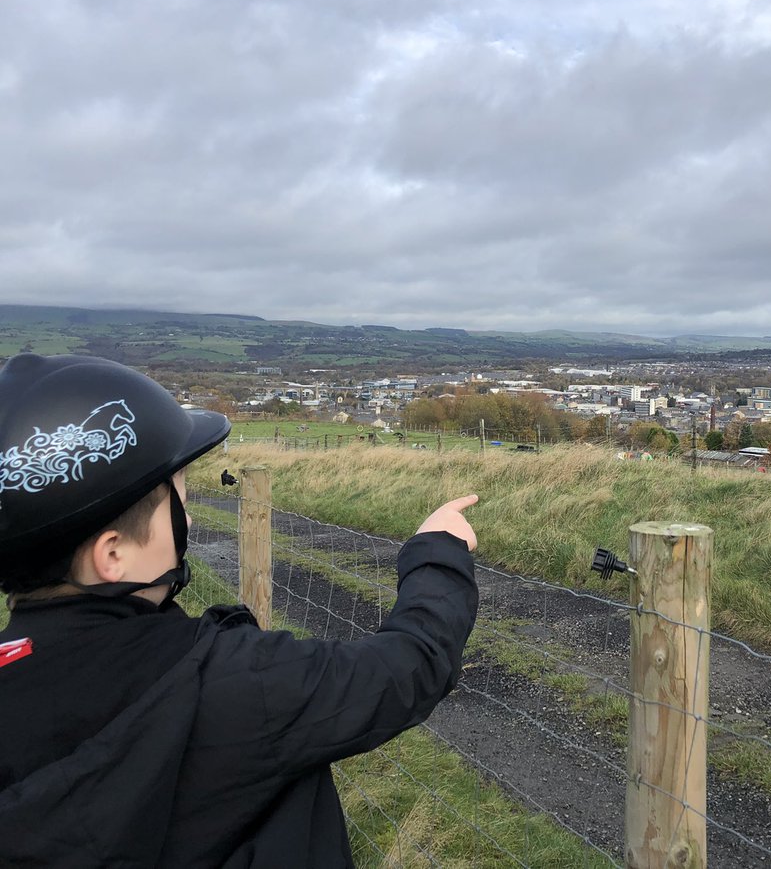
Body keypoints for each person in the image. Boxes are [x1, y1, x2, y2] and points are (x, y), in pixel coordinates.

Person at [0, 353, 479, 867]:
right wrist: (437, 552)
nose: (187, 515)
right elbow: (409, 665)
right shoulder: (227, 682)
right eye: (175, 501)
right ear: (112, 555)